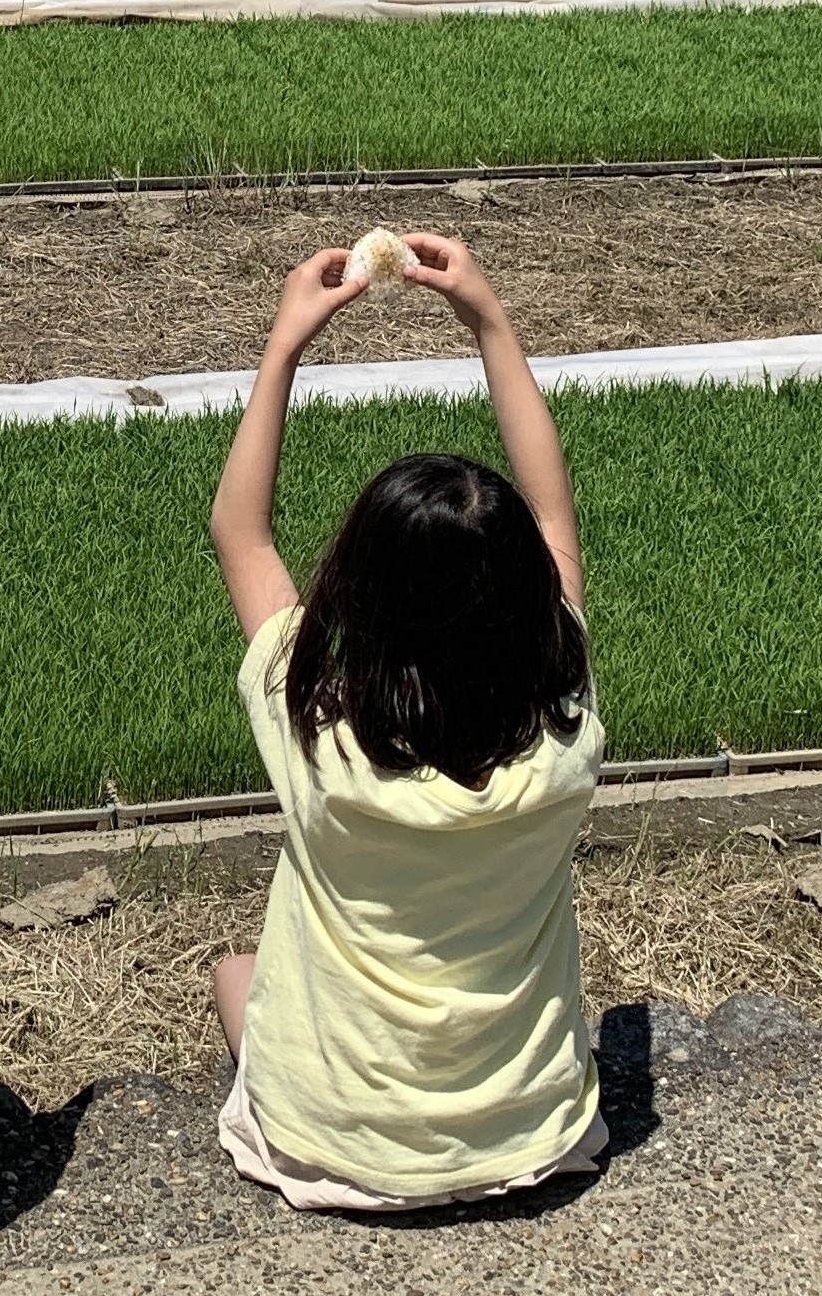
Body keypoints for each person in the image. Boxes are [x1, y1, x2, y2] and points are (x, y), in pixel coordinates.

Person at [204, 231, 608, 1211]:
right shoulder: (564, 720)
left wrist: (285, 345)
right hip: (529, 1136)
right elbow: (554, 522)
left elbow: (239, 531)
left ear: (358, 596)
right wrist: (488, 320)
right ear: (526, 601)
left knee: (234, 972)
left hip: (328, 1146)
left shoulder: (318, 731)